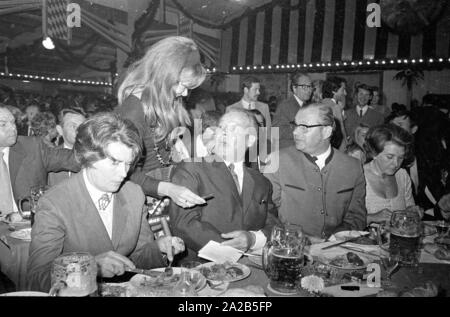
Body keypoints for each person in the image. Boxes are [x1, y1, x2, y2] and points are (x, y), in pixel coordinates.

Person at [27, 113, 185, 292]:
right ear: (88, 156)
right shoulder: (55, 203)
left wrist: (159, 248)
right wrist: (91, 267)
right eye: (115, 162)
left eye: (129, 164)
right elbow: (36, 278)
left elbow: (138, 259)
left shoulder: (134, 194)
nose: (124, 173)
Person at [169, 109, 279, 260]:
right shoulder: (191, 169)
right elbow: (184, 224)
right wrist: (232, 252)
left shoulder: (262, 183)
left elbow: (273, 225)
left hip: (253, 265)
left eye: (233, 128)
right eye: (221, 127)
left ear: (250, 140)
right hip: (203, 268)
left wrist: (252, 240)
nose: (224, 133)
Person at [116, 36, 207, 208]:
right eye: (182, 85)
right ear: (163, 76)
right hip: (142, 196)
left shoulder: (164, 97)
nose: (185, 94)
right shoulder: (133, 111)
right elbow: (124, 172)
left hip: (163, 187)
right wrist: (167, 189)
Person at [265, 103, 366, 239]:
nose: (295, 132)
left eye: (304, 127)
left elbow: (356, 216)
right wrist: (291, 238)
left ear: (326, 132)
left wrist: (337, 236)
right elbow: (267, 213)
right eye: (295, 125)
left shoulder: (353, 167)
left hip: (336, 249)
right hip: (289, 248)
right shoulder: (275, 161)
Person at [0, 105, 80, 217]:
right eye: (3, 124)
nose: (13, 128)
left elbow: (71, 159)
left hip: (26, 224)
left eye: (13, 122)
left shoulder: (32, 147)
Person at [387, 109, 450, 220]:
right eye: (391, 126)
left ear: (414, 129)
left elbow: (431, 195)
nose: (394, 130)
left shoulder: (426, 156)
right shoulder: (388, 162)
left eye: (400, 125)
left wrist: (439, 209)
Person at [363, 124, 416, 224]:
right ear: (374, 153)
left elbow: (410, 207)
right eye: (390, 157)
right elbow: (343, 221)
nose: (396, 164)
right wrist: (371, 218)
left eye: (400, 157)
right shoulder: (359, 177)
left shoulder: (402, 175)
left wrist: (413, 212)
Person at [47, 107, 87, 187]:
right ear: (60, 130)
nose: (79, 130)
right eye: (73, 126)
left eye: (82, 126)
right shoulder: (49, 156)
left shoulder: (94, 158)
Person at [272, 72, 313, 148]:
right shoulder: (285, 106)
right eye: (304, 87)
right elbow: (276, 131)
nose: (309, 90)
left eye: (310, 86)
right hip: (289, 151)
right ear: (294, 88)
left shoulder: (308, 106)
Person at [322, 76, 348, 150]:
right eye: (343, 90)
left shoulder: (320, 104)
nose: (345, 93)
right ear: (334, 91)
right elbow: (341, 133)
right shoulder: (334, 107)